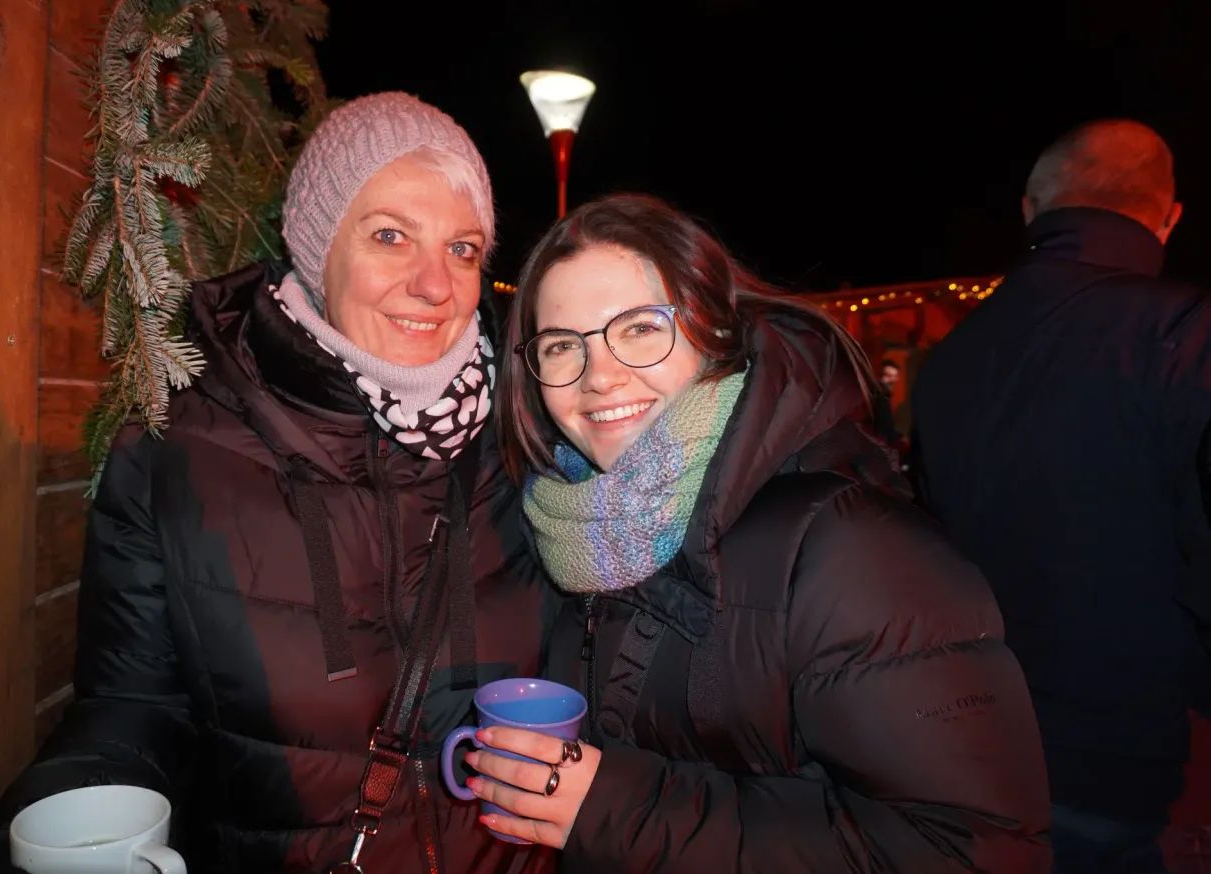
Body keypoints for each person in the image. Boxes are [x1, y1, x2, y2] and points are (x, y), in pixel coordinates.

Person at [0, 93, 554, 874]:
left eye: (463, 249)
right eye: (389, 236)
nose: (434, 285)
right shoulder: (179, 449)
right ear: (317, 247)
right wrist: (71, 827)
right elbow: (131, 711)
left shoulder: (527, 437)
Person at [467, 193, 1052, 872]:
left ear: (716, 331)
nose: (599, 376)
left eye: (640, 329)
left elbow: (973, 850)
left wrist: (613, 809)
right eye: (563, 345)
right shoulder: (575, 529)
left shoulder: (852, 548)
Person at [910, 119, 1211, 873]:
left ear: (1029, 209)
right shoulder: (1184, 331)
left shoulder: (952, 355)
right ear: (1169, 216)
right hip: (1117, 761)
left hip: (965, 737)